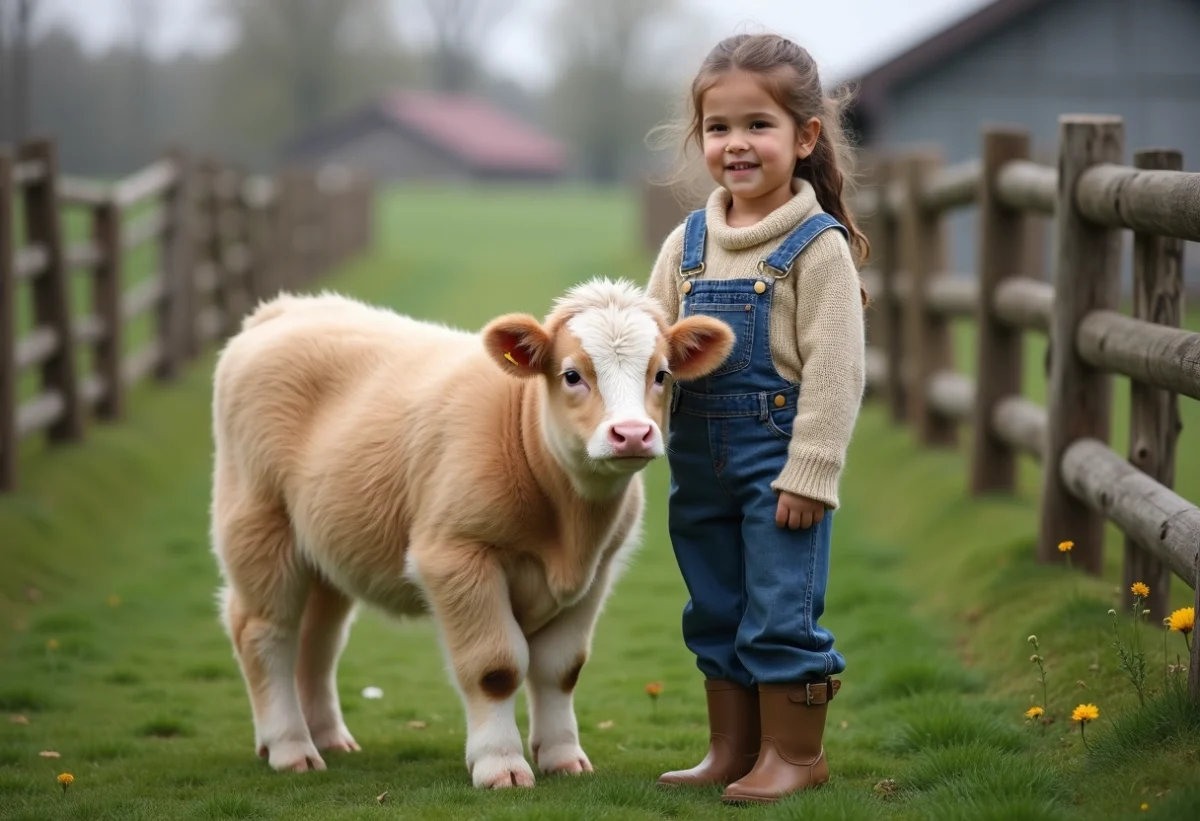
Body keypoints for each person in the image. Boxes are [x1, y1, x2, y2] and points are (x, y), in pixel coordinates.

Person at [644, 32, 869, 805]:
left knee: (779, 606)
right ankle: (732, 747)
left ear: (805, 136)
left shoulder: (817, 248)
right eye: (718, 127)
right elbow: (654, 344)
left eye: (757, 125)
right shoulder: (689, 243)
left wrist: (812, 470)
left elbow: (837, 372)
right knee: (714, 603)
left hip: (779, 466)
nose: (736, 143)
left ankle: (795, 754)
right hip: (697, 463)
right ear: (700, 136)